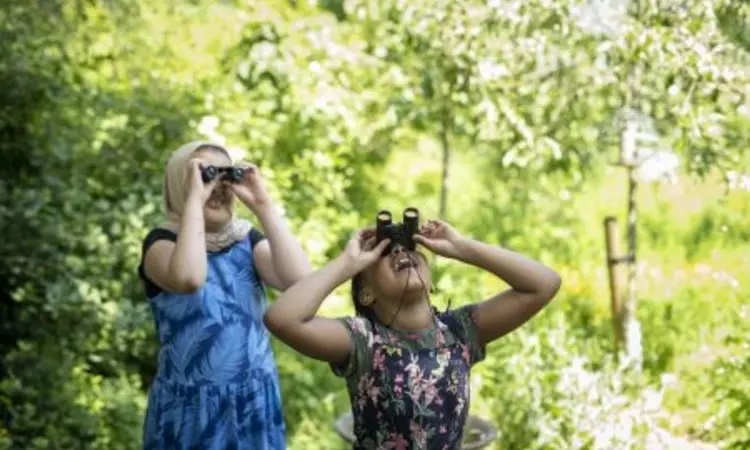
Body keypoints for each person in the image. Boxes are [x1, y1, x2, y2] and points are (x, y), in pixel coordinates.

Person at [264, 216, 561, 449]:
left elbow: (544, 283)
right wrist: (348, 264)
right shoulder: (362, 340)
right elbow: (282, 319)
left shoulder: (461, 330)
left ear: (431, 282)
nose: (401, 252)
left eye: (409, 248)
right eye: (385, 253)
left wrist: (463, 248)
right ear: (366, 294)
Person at [138, 141, 311, 450]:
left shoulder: (245, 241)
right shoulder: (160, 244)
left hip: (253, 401)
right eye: (205, 175)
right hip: (190, 409)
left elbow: (299, 281)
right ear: (181, 184)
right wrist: (195, 200)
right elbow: (189, 278)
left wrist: (262, 205)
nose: (216, 187)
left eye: (225, 177)